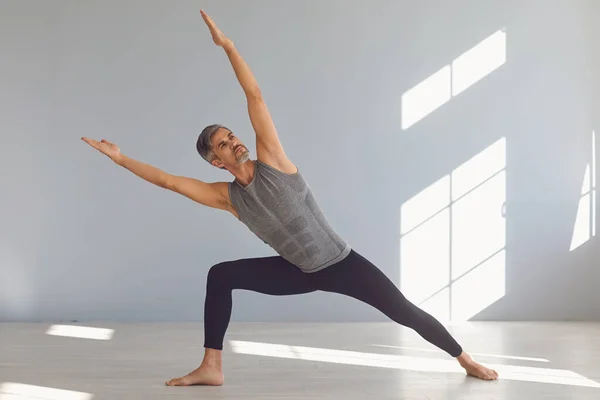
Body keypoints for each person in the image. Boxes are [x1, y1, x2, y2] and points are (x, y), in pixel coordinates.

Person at [82, 10, 499, 387]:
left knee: (403, 311)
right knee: (220, 275)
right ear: (216, 161)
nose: (234, 143)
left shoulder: (274, 162)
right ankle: (212, 366)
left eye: (232, 136)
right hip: (298, 271)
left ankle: (465, 359)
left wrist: (228, 47)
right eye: (224, 145)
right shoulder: (226, 197)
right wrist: (120, 160)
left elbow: (255, 97)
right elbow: (169, 182)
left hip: (340, 262)